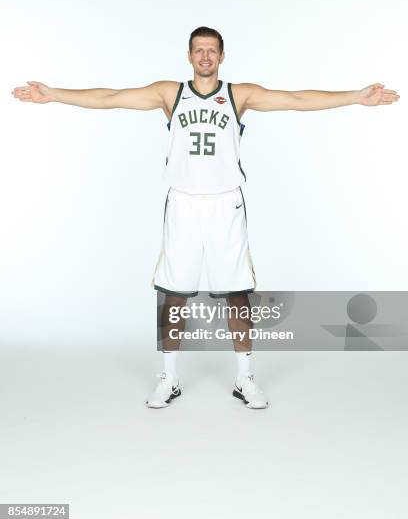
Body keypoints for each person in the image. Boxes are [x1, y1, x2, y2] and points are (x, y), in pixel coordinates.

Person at [12, 26, 400, 410]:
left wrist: (355, 97)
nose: (205, 57)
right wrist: (54, 95)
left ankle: (244, 376)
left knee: (237, 294)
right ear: (189, 55)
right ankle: (169, 377)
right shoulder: (171, 94)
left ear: (222, 56)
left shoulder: (237, 94)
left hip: (225, 205)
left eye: (212, 50)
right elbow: (111, 97)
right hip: (182, 204)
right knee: (174, 292)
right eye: (198, 50)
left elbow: (296, 99)